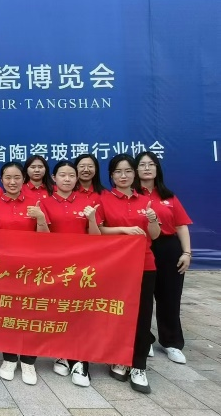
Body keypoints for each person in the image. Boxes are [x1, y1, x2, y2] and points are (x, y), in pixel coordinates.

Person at [0, 161, 49, 385]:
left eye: (17, 177)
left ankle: (28, 361)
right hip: (4, 269)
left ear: (24, 179)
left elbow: (46, 238)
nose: (12, 182)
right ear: (1, 180)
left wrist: (40, 218)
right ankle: (9, 358)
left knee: (31, 313)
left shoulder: (35, 202)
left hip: (31, 269)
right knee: (7, 313)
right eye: (8, 178)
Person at [97, 154, 160, 394]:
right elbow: (98, 231)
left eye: (128, 171)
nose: (123, 176)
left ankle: (138, 365)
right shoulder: (103, 199)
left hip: (144, 264)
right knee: (117, 312)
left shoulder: (145, 200)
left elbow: (154, 235)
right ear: (111, 175)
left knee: (142, 315)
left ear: (134, 174)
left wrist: (152, 220)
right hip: (115, 266)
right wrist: (124, 230)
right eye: (118, 172)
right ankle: (118, 358)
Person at [40, 161, 100, 388]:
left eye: (71, 175)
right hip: (56, 266)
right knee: (59, 309)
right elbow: (42, 237)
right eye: (62, 175)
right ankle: (61, 354)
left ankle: (81, 361)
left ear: (77, 179)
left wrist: (92, 218)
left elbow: (96, 237)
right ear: (53, 178)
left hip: (82, 267)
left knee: (80, 311)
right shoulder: (44, 202)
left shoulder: (88, 202)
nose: (67, 179)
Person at [135, 151, 192, 364]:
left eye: (151, 164)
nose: (147, 168)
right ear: (135, 170)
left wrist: (186, 252)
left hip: (168, 248)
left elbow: (181, 225)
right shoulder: (131, 195)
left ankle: (171, 342)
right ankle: (145, 338)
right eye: (142, 165)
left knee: (170, 296)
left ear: (157, 168)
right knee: (141, 297)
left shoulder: (168, 196)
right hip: (141, 247)